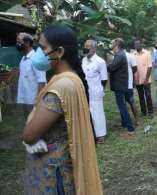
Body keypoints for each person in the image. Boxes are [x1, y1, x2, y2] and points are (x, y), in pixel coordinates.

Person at [22, 25, 103, 194]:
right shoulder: (72, 79)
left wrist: (29, 136)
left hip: (53, 171)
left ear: (59, 52)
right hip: (63, 165)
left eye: (43, 47)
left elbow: (29, 135)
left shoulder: (61, 86)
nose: (39, 53)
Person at [81, 39, 108, 144]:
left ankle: (101, 135)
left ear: (93, 48)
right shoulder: (83, 60)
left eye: (87, 46)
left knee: (97, 113)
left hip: (96, 91)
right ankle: (91, 133)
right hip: (85, 91)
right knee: (87, 112)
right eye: (85, 46)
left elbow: (104, 79)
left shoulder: (100, 62)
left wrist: (99, 89)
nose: (85, 48)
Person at [108, 38, 135, 138]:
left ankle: (130, 129)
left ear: (117, 44)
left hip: (120, 85)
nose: (111, 44)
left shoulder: (119, 55)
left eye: (112, 43)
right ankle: (124, 124)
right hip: (121, 83)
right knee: (122, 105)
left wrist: (105, 65)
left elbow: (111, 68)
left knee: (122, 107)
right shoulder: (120, 54)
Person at [16, 33, 46, 118]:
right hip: (25, 100)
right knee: (27, 121)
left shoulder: (36, 59)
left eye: (19, 42)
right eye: (17, 42)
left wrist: (38, 101)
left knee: (35, 123)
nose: (18, 44)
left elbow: (42, 81)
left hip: (33, 101)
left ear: (28, 43)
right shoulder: (23, 59)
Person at [134, 40, 154, 117]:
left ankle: (150, 111)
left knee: (148, 95)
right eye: (135, 44)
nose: (136, 46)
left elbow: (150, 67)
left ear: (141, 45)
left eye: (137, 44)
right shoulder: (133, 55)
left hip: (146, 79)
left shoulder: (147, 53)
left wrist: (146, 79)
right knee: (140, 96)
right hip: (137, 80)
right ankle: (143, 111)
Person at [125, 50, 140, 126]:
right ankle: (125, 120)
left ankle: (136, 119)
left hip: (128, 83)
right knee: (124, 103)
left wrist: (132, 79)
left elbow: (135, 68)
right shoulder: (116, 56)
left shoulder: (130, 56)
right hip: (121, 83)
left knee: (131, 101)